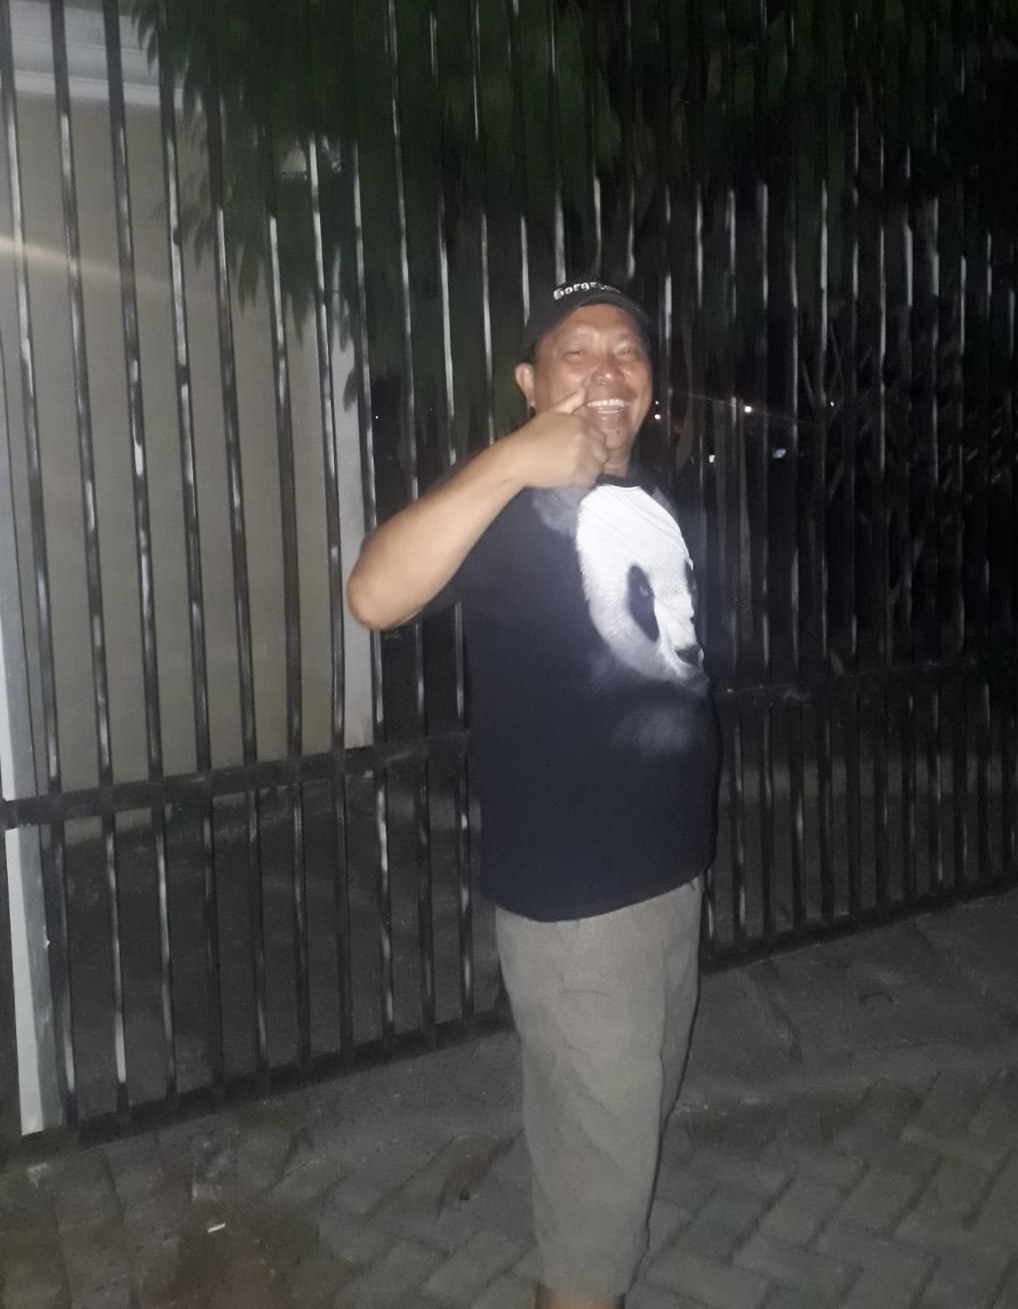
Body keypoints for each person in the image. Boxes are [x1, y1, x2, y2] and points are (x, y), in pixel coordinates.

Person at [347, 279, 719, 1309]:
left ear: (651, 385)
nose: (607, 371)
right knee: (594, 1232)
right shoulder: (505, 505)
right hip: (580, 912)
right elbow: (373, 592)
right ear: (530, 381)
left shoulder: (651, 498)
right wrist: (513, 459)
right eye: (576, 351)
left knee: (617, 1161)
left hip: (669, 884)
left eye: (627, 351)